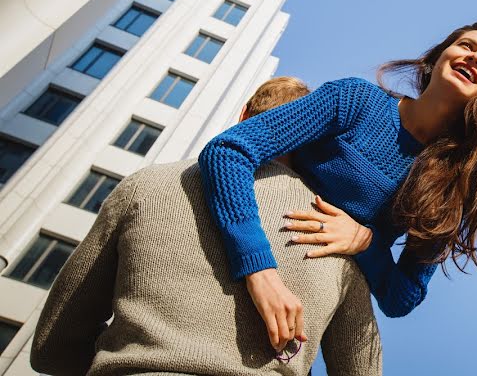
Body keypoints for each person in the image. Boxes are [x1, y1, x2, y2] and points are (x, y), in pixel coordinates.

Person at [199, 19, 477, 350]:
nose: (475, 58)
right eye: (467, 46)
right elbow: (229, 150)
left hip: (294, 332)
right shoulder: (356, 100)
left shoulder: (449, 187)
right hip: (226, 274)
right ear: (436, 58)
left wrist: (365, 242)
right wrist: (260, 272)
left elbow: (402, 298)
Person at [31, 77, 383, 375]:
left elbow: (53, 344)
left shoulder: (146, 187)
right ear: (311, 138)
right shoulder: (337, 237)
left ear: (243, 116)